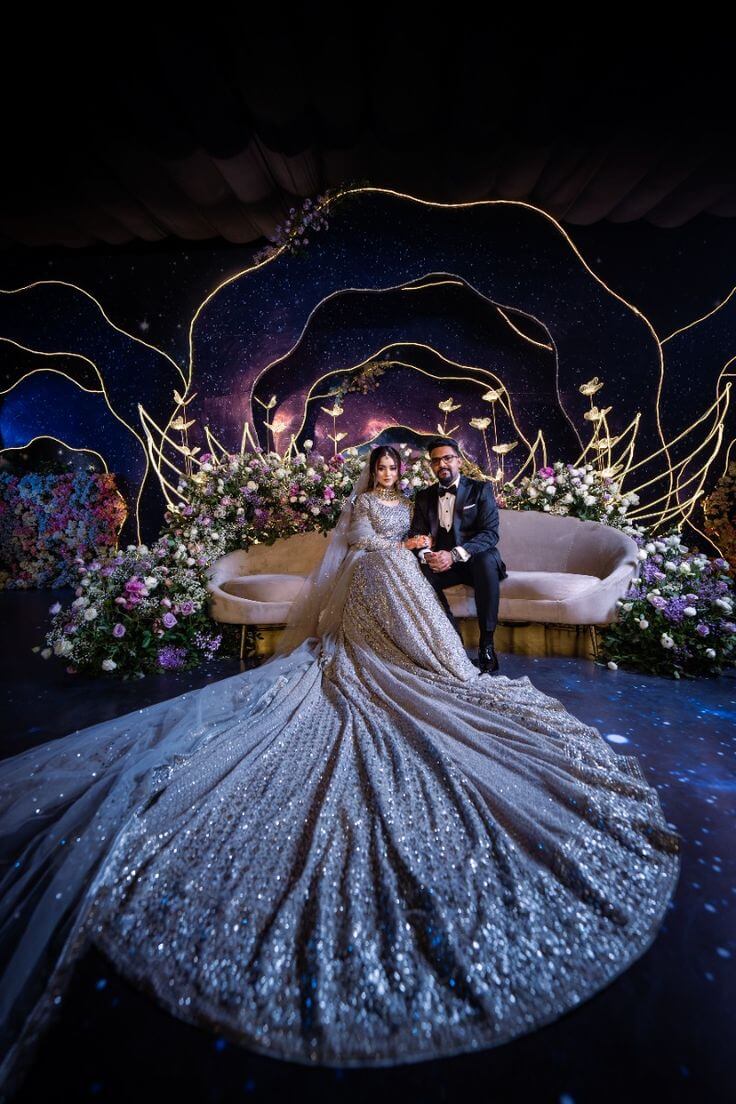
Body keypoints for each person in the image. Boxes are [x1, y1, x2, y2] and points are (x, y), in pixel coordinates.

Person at [0, 444, 682, 1091]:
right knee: (383, 571)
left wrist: (421, 546)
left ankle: (448, 658)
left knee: (411, 574)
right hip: (372, 572)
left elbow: (450, 536)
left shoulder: (419, 500)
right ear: (373, 471)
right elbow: (357, 545)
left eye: (393, 465)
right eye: (381, 465)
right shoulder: (363, 506)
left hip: (421, 564)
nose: (387, 472)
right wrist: (399, 548)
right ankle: (392, 654)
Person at [408, 436, 508, 675]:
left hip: (475, 560)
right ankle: (454, 646)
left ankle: (486, 645)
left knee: (486, 559)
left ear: (459, 461)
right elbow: (417, 534)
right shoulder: (424, 496)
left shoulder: (480, 489)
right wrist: (427, 555)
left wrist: (454, 554)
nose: (442, 464)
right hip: (444, 566)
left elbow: (490, 533)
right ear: (431, 466)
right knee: (418, 571)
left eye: (447, 458)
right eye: (436, 461)